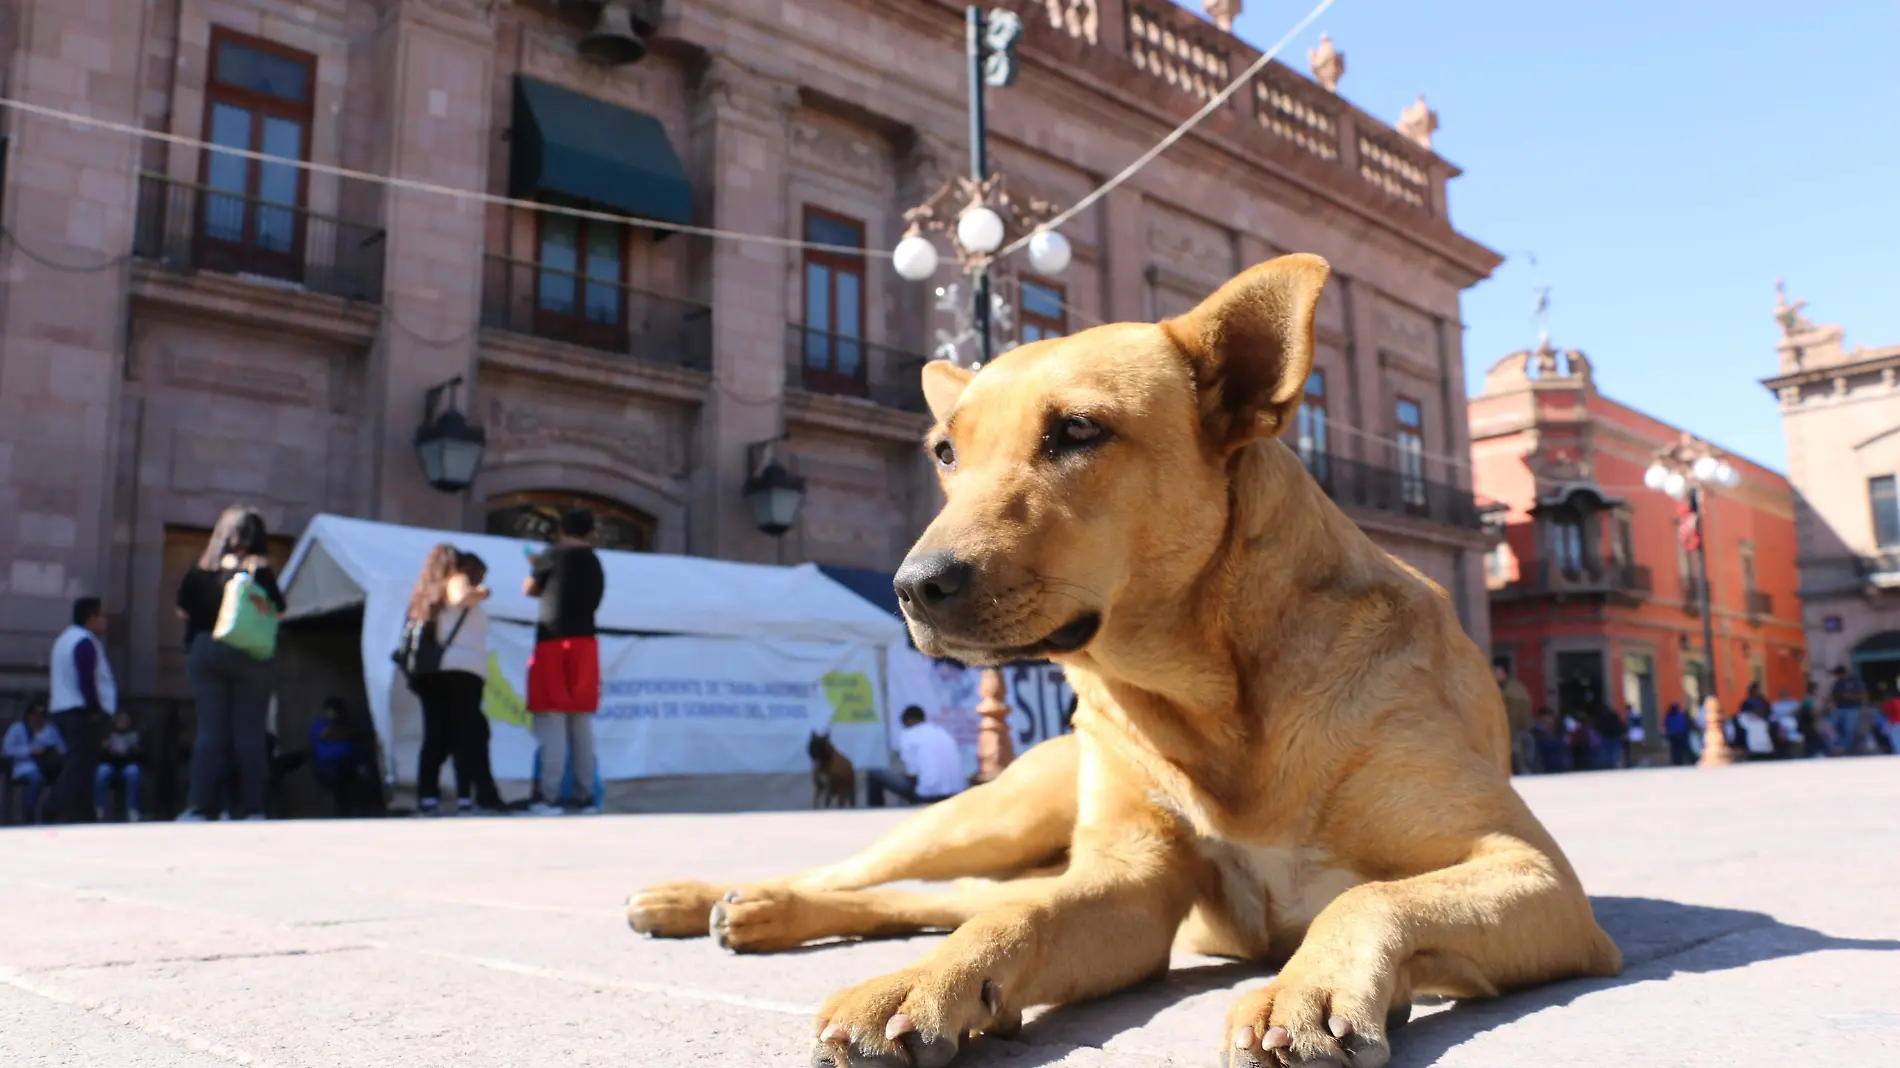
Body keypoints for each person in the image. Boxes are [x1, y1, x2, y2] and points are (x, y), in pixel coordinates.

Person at [175, 506, 285, 822]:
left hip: (206, 650)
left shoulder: (201, 569)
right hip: (250, 653)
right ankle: (252, 807)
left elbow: (182, 611)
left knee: (210, 731)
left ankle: (199, 806)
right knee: (249, 731)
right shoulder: (260, 571)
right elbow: (279, 611)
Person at [523, 509, 605, 816]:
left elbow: (529, 589)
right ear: (590, 532)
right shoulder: (596, 562)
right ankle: (585, 797)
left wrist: (535, 569)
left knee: (553, 721)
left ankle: (548, 796)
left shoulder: (551, 554)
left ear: (562, 529)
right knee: (580, 722)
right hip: (585, 643)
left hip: (553, 642)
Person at [47, 597, 115, 822]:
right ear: (91, 618)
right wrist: (95, 709)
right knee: (79, 767)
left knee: (79, 764)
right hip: (80, 712)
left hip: (64, 708)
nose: (105, 621)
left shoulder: (64, 639)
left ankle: (78, 811)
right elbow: (87, 679)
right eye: (101, 616)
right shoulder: (84, 642)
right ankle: (63, 810)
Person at [866, 705, 965, 807]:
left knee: (875, 774)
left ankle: (875, 809)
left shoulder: (909, 734)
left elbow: (912, 774)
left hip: (927, 795)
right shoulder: (942, 733)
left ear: (907, 722)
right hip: (953, 794)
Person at [4, 700, 64, 824]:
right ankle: (28, 815)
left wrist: (49, 750)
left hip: (48, 766)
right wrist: (30, 751)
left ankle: (49, 813)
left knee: (63, 779)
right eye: (35, 715)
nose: (38, 718)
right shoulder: (17, 728)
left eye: (41, 715)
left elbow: (63, 749)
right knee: (35, 778)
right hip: (24, 766)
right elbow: (7, 749)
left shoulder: (50, 729)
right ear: (29, 715)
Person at [93, 709, 143, 821]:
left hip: (127, 765)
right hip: (111, 764)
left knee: (133, 771)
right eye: (120, 720)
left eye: (125, 720)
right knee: (102, 771)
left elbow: (141, 757)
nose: (122, 722)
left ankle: (132, 810)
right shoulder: (108, 733)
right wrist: (107, 750)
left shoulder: (134, 734)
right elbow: (99, 757)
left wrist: (130, 751)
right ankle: (100, 809)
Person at [1495, 664, 1536, 774]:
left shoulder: (1512, 689)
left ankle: (1524, 772)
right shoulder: (1505, 688)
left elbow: (1515, 712)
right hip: (1511, 727)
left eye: (1498, 673)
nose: (1496, 675)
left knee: (1518, 751)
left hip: (1515, 727)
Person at [1826, 665, 1867, 756]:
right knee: (1828, 725)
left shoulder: (1855, 681)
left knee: (1849, 729)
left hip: (1852, 709)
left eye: (1839, 675)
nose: (1838, 677)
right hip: (1839, 708)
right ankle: (1838, 746)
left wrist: (1850, 696)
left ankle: (1847, 749)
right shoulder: (1838, 683)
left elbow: (1863, 696)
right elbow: (1833, 695)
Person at [1531, 707, 1570, 774]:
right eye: (1546, 717)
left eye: (1550, 717)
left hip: (1560, 766)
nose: (1549, 720)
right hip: (1545, 767)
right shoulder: (1536, 733)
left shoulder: (1559, 731)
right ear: (1540, 718)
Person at [1769, 687, 1803, 759]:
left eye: (1785, 693)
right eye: (1782, 693)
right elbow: (1773, 717)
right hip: (1780, 726)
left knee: (1798, 738)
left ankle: (1797, 755)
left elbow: (1799, 712)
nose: (1784, 695)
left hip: (1793, 724)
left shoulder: (1793, 703)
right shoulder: (1776, 704)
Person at [1662, 701, 1694, 766]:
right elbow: (1686, 725)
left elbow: (1665, 726)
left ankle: (1677, 761)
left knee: (1675, 750)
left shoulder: (1668, 716)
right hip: (1681, 735)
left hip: (1673, 736)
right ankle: (1687, 760)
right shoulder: (1681, 715)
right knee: (1683, 749)